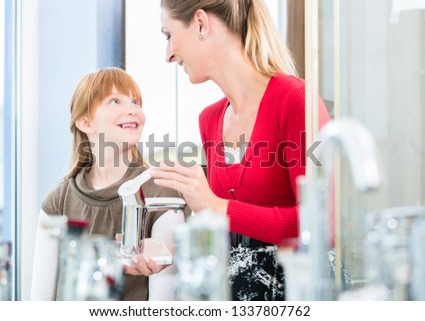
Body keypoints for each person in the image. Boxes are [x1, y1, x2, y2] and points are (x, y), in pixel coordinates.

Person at [152, 0, 331, 300]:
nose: (168, 54)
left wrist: (214, 205)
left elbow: (321, 227)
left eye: (168, 35)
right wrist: (166, 255)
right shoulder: (209, 120)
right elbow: (233, 237)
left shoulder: (295, 100)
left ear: (200, 24)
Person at [30, 67, 187, 301]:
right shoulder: (57, 202)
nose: (133, 110)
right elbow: (40, 302)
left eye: (135, 102)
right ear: (85, 122)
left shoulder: (161, 193)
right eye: (115, 101)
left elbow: (163, 306)